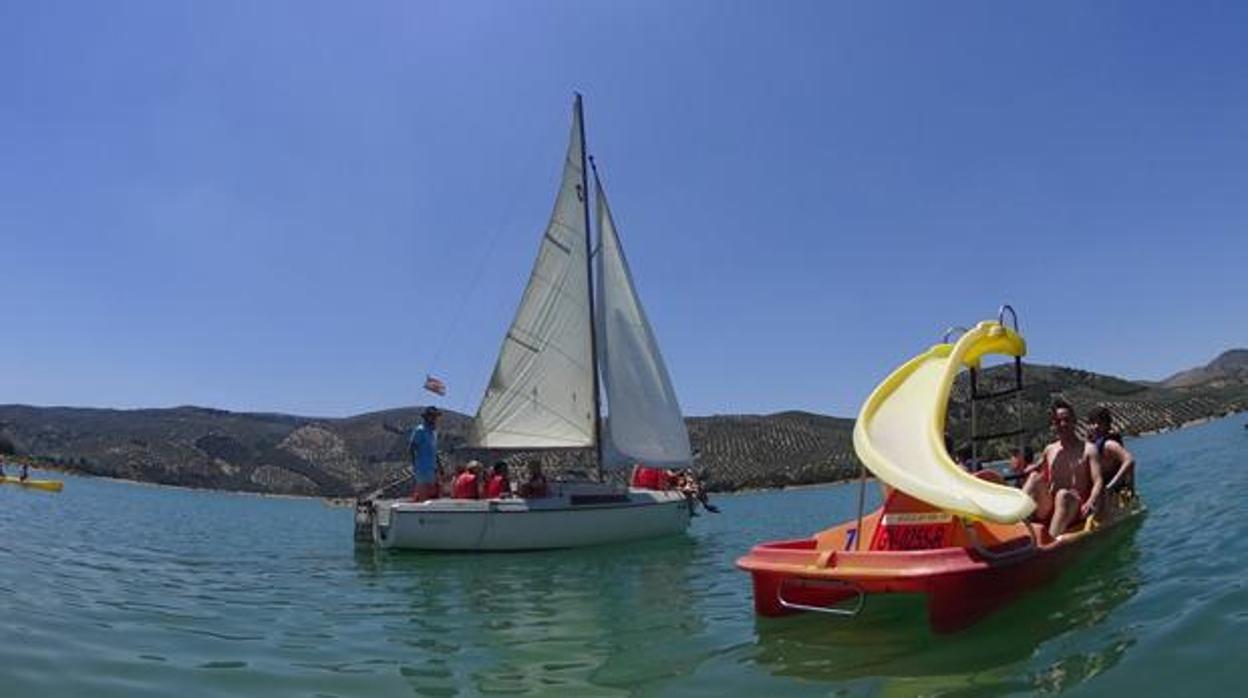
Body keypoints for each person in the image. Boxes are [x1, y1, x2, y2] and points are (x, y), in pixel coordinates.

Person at [1023, 399, 1105, 538]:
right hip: (1050, 505)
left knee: (1062, 495)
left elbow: (1098, 481)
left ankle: (1050, 541)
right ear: (1053, 425)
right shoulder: (1049, 449)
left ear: (1074, 421)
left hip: (1074, 506)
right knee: (1034, 477)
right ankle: (1011, 521)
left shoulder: (1089, 449)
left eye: (1066, 420)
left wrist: (1091, 501)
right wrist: (1029, 469)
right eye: (1058, 421)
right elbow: (1038, 467)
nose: (1062, 424)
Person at [1087, 406, 1136, 495]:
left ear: (1107, 425)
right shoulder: (1091, 444)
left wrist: (1111, 485)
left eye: (1100, 423)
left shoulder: (1109, 444)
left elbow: (1130, 460)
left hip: (1118, 491)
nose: (1096, 426)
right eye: (1093, 423)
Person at [408, 406, 442, 501]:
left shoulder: (434, 433)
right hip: (422, 468)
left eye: (435, 416)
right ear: (426, 417)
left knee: (433, 496)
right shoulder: (420, 430)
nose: (434, 419)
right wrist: (415, 465)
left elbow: (434, 451)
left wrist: (440, 466)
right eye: (432, 416)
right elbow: (412, 447)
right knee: (424, 497)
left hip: (432, 468)